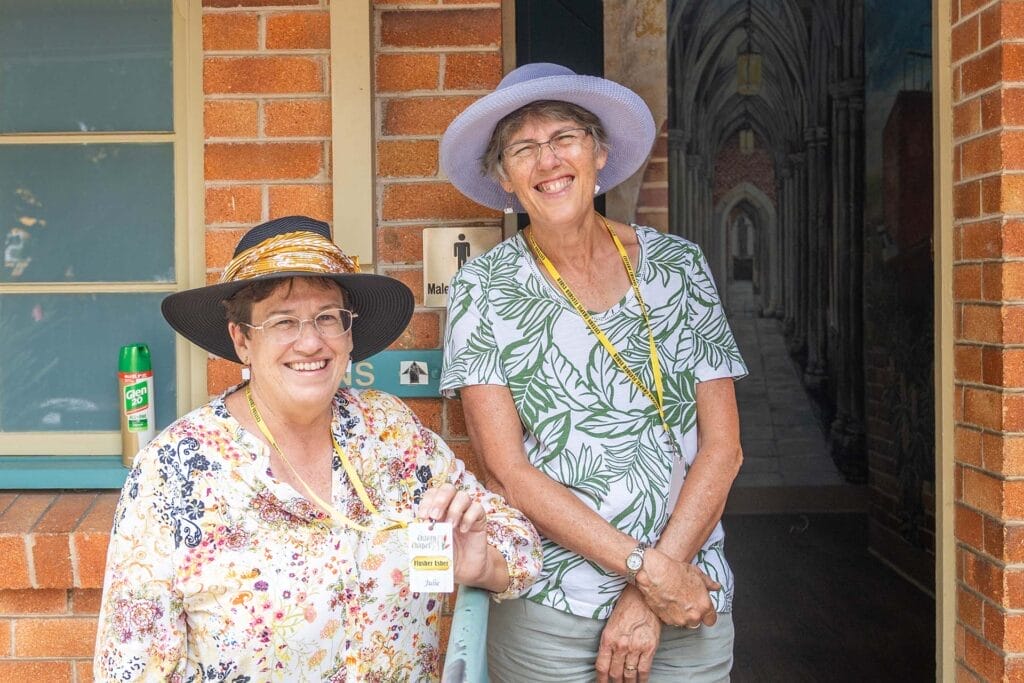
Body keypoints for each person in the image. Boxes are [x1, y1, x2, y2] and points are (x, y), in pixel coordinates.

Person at [94, 215, 542, 681]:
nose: (310, 342)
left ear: (348, 334)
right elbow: (131, 665)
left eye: (328, 317)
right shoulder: (174, 470)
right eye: (283, 321)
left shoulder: (390, 434)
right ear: (242, 339)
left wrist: (482, 561)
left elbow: (519, 541)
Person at [439, 63, 747, 682]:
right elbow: (509, 470)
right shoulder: (483, 287)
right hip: (552, 609)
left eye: (564, 138)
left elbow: (723, 448)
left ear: (599, 152)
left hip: (690, 593)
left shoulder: (679, 267)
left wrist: (653, 587)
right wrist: (647, 571)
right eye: (522, 148)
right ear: (504, 178)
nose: (547, 161)